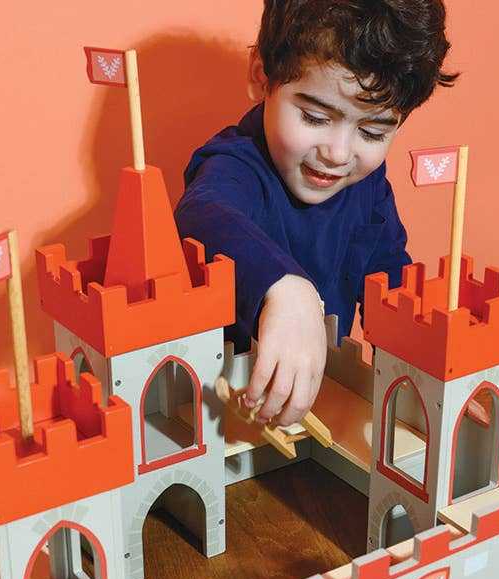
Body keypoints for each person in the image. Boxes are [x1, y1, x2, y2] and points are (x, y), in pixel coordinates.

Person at [175, 0, 457, 428]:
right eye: (315, 117)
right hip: (224, 413)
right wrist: (287, 288)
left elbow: (389, 282)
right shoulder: (234, 166)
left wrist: (427, 378)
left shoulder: (367, 185)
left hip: (319, 406)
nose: (338, 154)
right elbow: (200, 213)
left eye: (372, 132)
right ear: (262, 76)